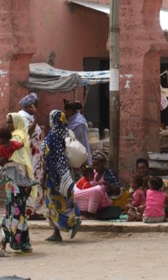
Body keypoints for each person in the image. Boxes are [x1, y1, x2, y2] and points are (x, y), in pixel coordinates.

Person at [0, 113, 36, 256]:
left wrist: (4, 163)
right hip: (19, 182)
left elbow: (11, 161)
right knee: (17, 211)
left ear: (17, 123)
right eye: (7, 123)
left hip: (17, 182)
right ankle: (23, 244)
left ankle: (6, 242)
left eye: (10, 123)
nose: (8, 126)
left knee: (13, 212)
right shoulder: (20, 136)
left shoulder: (17, 137)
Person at [42, 109, 82, 242]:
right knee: (65, 202)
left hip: (54, 176)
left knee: (53, 203)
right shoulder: (66, 133)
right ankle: (57, 232)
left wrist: (45, 175)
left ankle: (71, 223)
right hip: (66, 174)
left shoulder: (52, 135)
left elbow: (50, 158)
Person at [18, 93, 45, 218]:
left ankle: (31, 210)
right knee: (31, 181)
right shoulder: (23, 117)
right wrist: (35, 119)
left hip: (35, 155)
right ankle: (29, 211)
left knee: (34, 181)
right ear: (30, 106)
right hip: (30, 156)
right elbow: (28, 132)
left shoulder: (28, 116)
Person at [73, 151, 121, 219]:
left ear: (103, 164)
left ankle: (91, 214)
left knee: (97, 190)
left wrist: (105, 183)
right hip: (91, 201)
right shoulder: (94, 173)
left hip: (104, 202)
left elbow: (118, 190)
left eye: (97, 165)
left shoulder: (108, 173)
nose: (95, 167)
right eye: (94, 165)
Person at [64, 100, 92, 167]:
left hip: (80, 151)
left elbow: (78, 142)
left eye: (66, 111)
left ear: (71, 111)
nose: (65, 113)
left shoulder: (78, 124)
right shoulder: (72, 120)